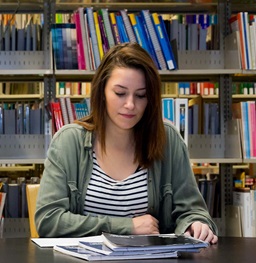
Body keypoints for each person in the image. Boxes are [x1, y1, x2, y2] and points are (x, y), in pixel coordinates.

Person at [35, 42, 218, 244]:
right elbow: (48, 220)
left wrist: (196, 224)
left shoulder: (168, 139)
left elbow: (192, 211)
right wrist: (127, 226)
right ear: (102, 92)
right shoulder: (68, 142)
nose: (130, 105)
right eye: (120, 93)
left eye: (141, 95)